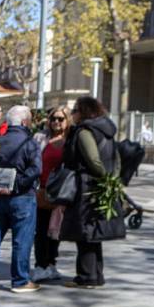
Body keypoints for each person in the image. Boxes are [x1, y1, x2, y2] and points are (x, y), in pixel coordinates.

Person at [60, 95, 126, 288]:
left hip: (87, 186)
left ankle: (86, 277)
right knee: (94, 233)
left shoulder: (85, 131)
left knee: (85, 233)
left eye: (75, 111)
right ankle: (97, 275)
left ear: (84, 112)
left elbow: (93, 160)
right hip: (101, 186)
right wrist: (111, 179)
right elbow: (116, 158)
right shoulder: (107, 129)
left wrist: (103, 176)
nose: (72, 114)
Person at [0, 105, 41, 292]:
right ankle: (20, 281)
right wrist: (16, 184)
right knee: (21, 240)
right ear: (24, 122)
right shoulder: (30, 143)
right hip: (22, 197)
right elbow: (36, 170)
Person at [33, 107, 69, 282]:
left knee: (56, 231)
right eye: (53, 118)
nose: (56, 122)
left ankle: (51, 264)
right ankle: (40, 265)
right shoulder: (40, 138)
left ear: (67, 121)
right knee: (41, 229)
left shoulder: (70, 140)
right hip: (42, 190)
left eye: (61, 119)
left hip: (61, 192)